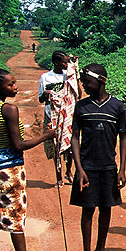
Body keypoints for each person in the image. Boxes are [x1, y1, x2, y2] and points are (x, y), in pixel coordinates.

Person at [0, 68, 54, 251]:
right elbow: (18, 145)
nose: (15, 87)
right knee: (16, 218)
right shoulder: (9, 109)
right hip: (9, 171)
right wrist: (46, 136)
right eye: (11, 84)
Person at [70, 63, 126, 251]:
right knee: (88, 209)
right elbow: (75, 138)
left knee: (107, 207)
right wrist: (79, 168)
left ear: (102, 81)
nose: (84, 85)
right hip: (88, 167)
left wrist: (122, 169)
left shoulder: (117, 106)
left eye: (88, 82)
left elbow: (123, 138)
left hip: (108, 167)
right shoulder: (81, 106)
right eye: (83, 82)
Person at [38, 51, 74, 186]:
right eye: (64, 62)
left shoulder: (68, 75)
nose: (66, 64)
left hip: (67, 115)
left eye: (67, 62)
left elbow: (77, 94)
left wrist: (74, 77)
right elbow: (41, 99)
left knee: (69, 144)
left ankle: (69, 171)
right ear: (56, 63)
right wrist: (46, 94)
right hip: (51, 114)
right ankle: (58, 176)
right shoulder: (46, 77)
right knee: (55, 145)